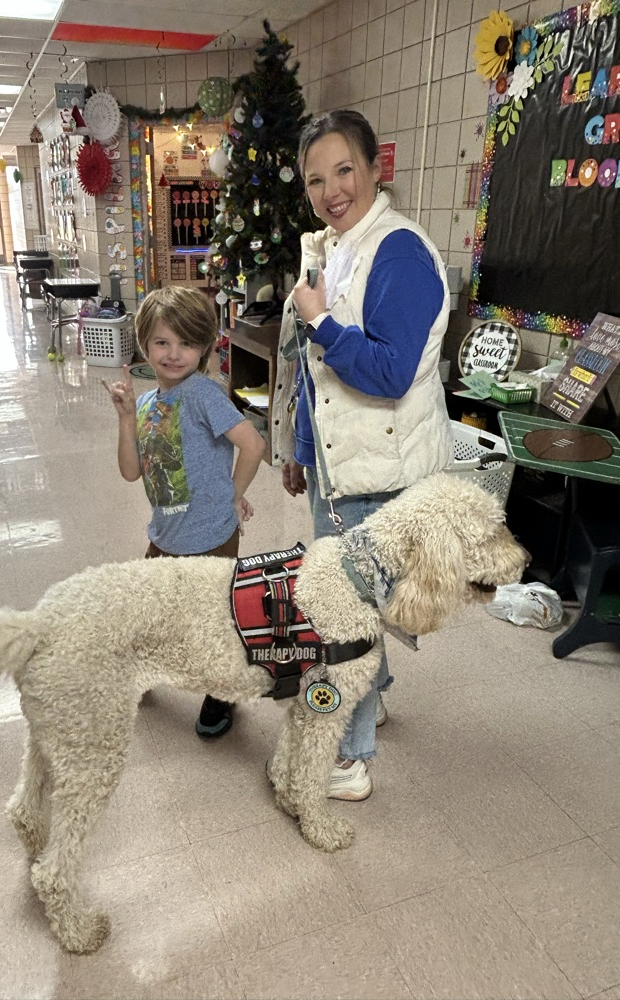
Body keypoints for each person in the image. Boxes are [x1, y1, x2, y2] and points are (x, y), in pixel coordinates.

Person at [272, 109, 453, 802]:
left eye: (344, 170)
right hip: (344, 470)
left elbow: (388, 372)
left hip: (385, 480)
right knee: (357, 608)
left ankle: (345, 761)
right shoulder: (331, 245)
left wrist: (321, 319)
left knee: (343, 618)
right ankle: (369, 703)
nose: (330, 189)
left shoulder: (399, 251)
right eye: (316, 178)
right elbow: (313, 369)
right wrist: (300, 450)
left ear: (378, 168)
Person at [103, 286, 265, 738]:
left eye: (187, 344)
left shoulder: (203, 394)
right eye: (161, 342)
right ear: (144, 345)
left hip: (212, 534)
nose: (174, 354)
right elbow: (131, 472)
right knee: (152, 607)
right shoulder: (146, 403)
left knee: (216, 619)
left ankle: (223, 691)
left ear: (204, 348)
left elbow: (253, 446)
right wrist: (124, 419)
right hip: (166, 532)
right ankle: (148, 668)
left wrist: (234, 496)